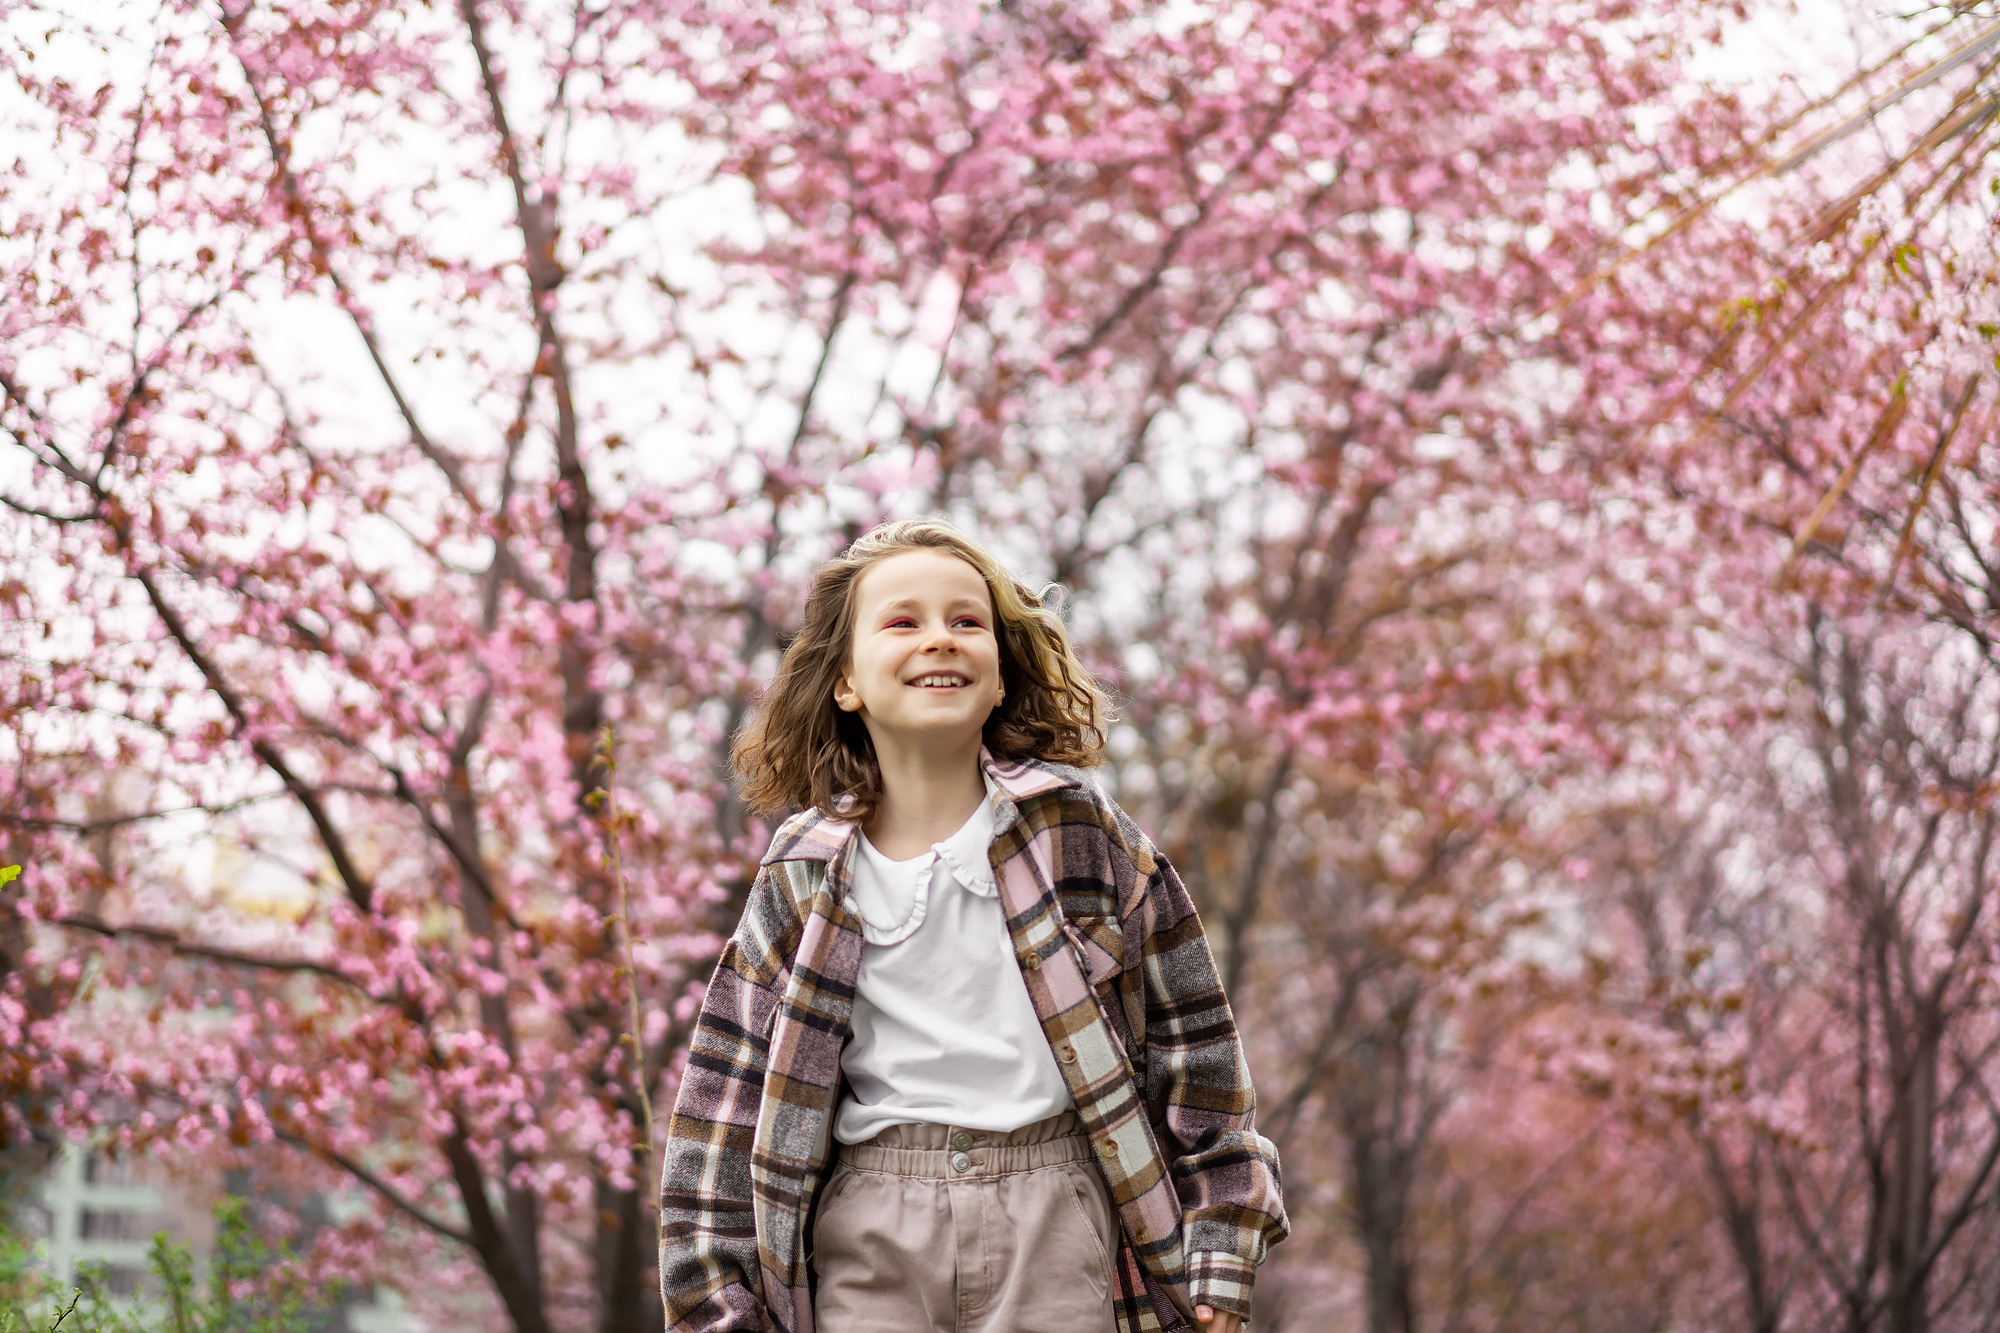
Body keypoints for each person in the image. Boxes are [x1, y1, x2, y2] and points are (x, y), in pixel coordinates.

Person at [658, 518, 1287, 1333]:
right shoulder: (803, 869)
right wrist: (715, 1295)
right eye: (903, 620)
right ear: (846, 680)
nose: (940, 639)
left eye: (966, 621)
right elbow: (727, 1090)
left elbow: (1193, 1040)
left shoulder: (1078, 832)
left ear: (999, 676)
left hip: (1054, 1213)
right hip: (872, 1221)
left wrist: (1222, 1233)